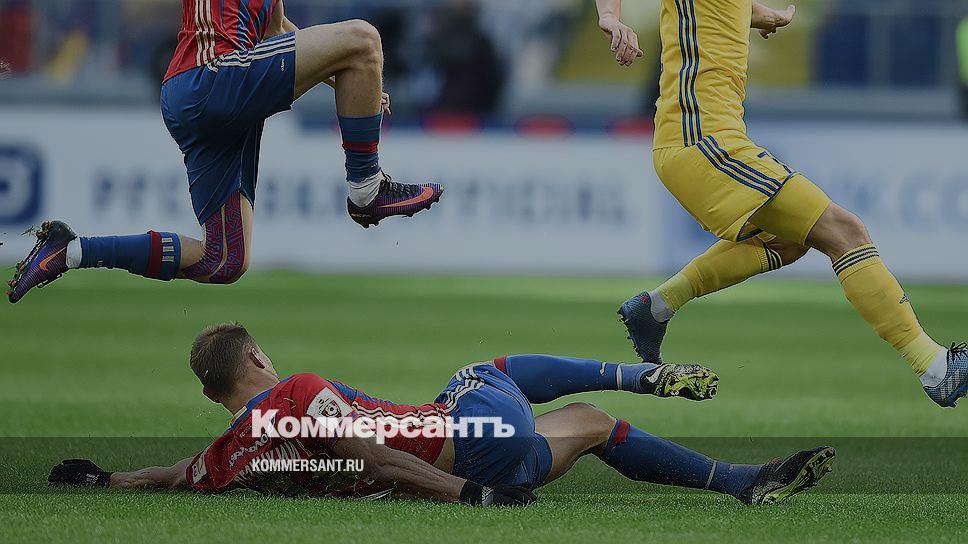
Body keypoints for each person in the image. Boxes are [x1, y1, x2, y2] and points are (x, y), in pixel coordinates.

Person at [592, 0, 967, 407]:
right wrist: (609, 16)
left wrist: (762, 15)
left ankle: (657, 307)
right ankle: (934, 367)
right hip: (702, 139)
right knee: (845, 231)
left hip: (702, 140)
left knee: (787, 241)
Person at [48, 323, 833, 506]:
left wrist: (106, 480)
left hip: (504, 456)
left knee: (592, 424)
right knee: (485, 371)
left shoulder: (227, 457)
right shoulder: (296, 392)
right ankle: (643, 373)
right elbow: (368, 453)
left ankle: (742, 481)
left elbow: (171, 475)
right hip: (466, 446)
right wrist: (470, 495)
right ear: (255, 359)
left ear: (209, 395)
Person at [7, 0, 443, 304]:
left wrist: (346, 76)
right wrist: (353, 59)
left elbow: (277, 31)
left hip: (207, 94)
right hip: (210, 78)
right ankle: (366, 188)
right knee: (363, 37)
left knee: (224, 260)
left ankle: (72, 251)